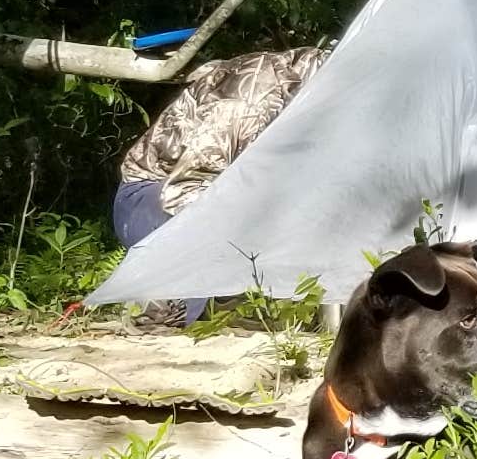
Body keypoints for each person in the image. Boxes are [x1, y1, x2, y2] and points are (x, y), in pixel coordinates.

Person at [110, 45, 326, 321]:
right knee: (209, 311)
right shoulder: (249, 102)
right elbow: (189, 187)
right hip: (155, 201)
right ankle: (176, 299)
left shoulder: (309, 86)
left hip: (223, 201)